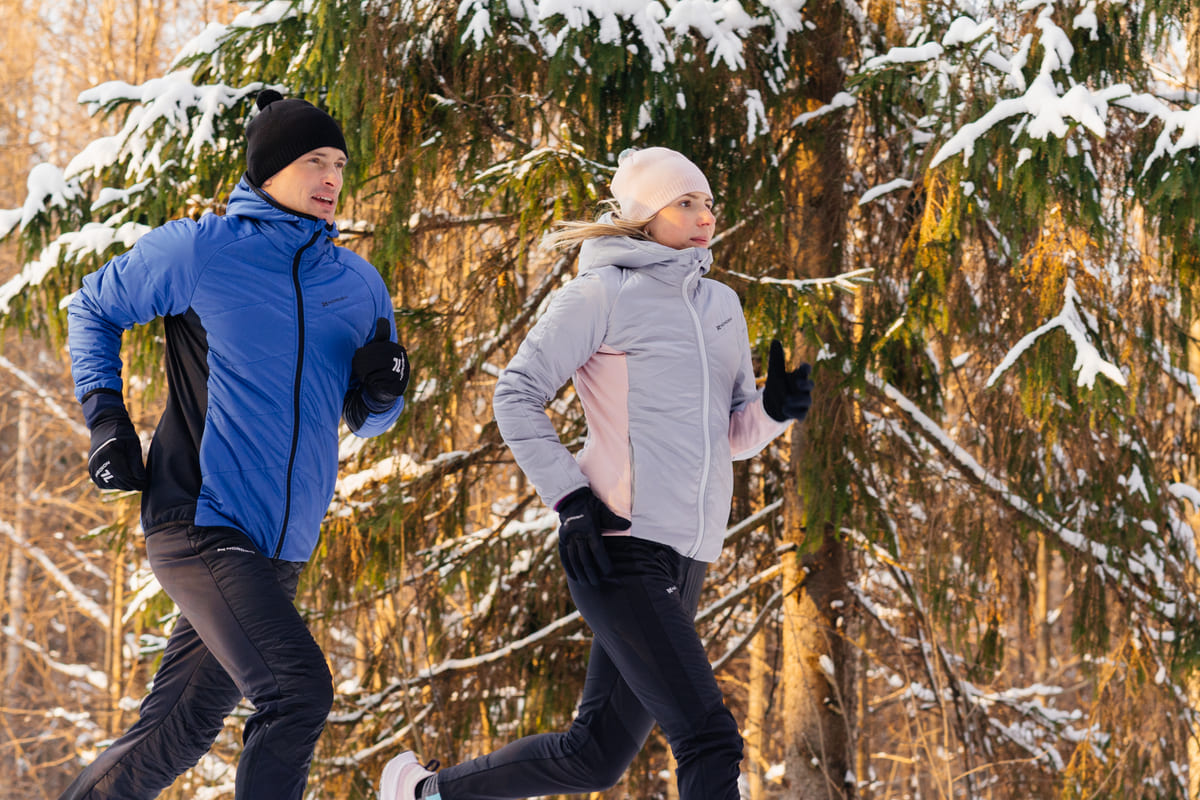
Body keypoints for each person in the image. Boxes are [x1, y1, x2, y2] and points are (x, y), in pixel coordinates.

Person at [380, 146, 813, 800]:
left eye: (709, 203)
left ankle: (424, 794)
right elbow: (516, 392)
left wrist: (774, 410)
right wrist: (570, 497)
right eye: (686, 202)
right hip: (617, 544)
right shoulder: (602, 293)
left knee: (597, 756)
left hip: (687, 555)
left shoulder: (720, 304)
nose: (706, 216)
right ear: (644, 215)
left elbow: (732, 434)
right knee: (709, 738)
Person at [62, 89, 410, 800]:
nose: (332, 179)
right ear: (269, 170)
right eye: (315, 161)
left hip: (280, 547)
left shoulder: (358, 284)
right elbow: (92, 306)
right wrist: (106, 419)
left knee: (179, 730)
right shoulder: (202, 249)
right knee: (298, 691)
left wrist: (379, 395)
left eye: (341, 164)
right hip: (199, 520)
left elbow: (369, 418)